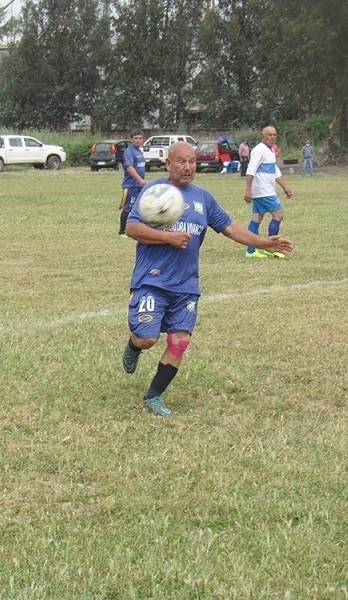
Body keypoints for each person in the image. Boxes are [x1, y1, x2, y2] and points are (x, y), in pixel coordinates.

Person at [122, 141, 293, 417]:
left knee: (180, 342)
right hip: (152, 281)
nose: (188, 167)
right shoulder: (153, 192)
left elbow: (231, 228)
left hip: (186, 285)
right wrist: (168, 237)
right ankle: (133, 345)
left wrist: (263, 243)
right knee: (147, 339)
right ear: (168, 164)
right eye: (181, 161)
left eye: (192, 161)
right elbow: (132, 228)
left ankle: (153, 396)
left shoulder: (204, 198)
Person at [244, 126, 293, 259]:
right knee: (279, 214)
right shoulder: (259, 150)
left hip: (263, 190)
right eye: (269, 134)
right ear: (263, 135)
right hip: (263, 191)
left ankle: (250, 251)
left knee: (257, 218)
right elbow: (251, 170)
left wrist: (285, 187)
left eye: (274, 134)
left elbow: (275, 172)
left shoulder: (270, 150)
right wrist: (248, 189)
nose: (272, 137)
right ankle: (271, 248)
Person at [119, 129, 147, 236]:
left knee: (140, 207)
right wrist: (140, 180)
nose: (138, 140)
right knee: (128, 208)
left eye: (140, 138)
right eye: (136, 138)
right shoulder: (129, 152)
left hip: (139, 185)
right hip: (131, 185)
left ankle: (139, 228)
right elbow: (130, 168)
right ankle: (122, 231)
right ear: (131, 139)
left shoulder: (140, 152)